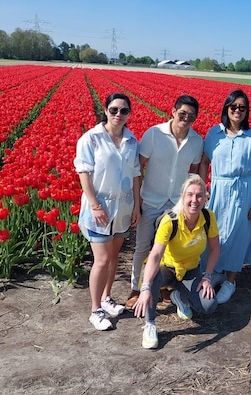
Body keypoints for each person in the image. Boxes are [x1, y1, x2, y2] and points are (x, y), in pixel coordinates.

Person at [128, 95, 204, 309]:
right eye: (182, 113)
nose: (186, 118)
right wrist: (138, 200)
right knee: (143, 246)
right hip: (151, 199)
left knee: (169, 248)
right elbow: (139, 167)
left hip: (176, 205)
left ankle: (161, 287)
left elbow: (195, 172)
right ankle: (136, 287)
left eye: (191, 116)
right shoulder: (154, 134)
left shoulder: (196, 141)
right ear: (173, 111)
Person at [74, 93, 141, 331]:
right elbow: (84, 173)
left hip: (123, 206)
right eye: (114, 110)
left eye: (124, 111)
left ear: (129, 114)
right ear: (105, 109)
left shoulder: (132, 140)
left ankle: (106, 297)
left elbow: (135, 175)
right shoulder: (91, 138)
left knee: (113, 258)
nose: (118, 115)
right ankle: (95, 310)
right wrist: (94, 205)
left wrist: (136, 205)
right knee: (101, 259)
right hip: (100, 207)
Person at [133, 175, 220, 349]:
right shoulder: (171, 220)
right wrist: (145, 288)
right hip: (167, 269)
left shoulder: (208, 218)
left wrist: (207, 277)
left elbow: (215, 249)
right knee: (152, 279)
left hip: (190, 271)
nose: (194, 200)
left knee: (209, 305)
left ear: (205, 198)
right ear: (182, 197)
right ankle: (150, 324)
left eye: (199, 195)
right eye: (190, 195)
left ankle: (179, 295)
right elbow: (156, 255)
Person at [200, 90, 251, 304]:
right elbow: (204, 162)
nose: (237, 110)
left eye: (242, 107)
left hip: (244, 188)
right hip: (219, 187)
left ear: (247, 111)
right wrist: (202, 189)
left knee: (238, 232)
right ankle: (216, 269)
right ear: (226, 108)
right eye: (233, 106)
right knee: (215, 230)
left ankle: (231, 279)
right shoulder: (214, 134)